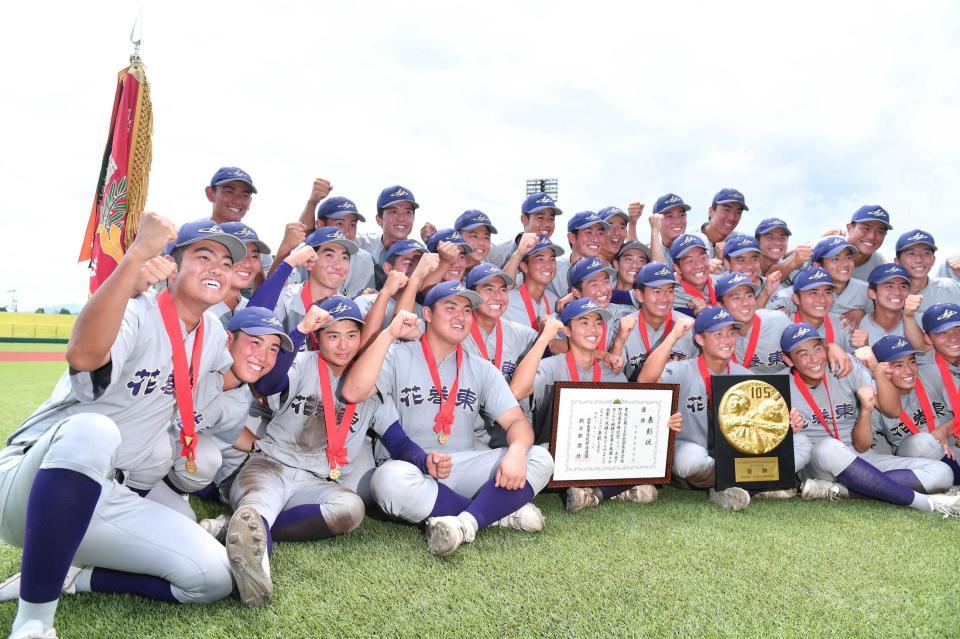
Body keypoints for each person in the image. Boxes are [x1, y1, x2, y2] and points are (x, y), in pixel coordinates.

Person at [0, 216, 248, 638]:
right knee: (94, 430)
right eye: (203, 256)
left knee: (213, 577)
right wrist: (133, 260)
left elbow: (241, 373)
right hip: (34, 481)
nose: (217, 268)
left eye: (226, 263)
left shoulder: (211, 332)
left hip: (112, 495)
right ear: (171, 263)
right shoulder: (136, 307)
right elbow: (83, 356)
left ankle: (73, 575)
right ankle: (34, 623)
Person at [340, 281, 555, 557]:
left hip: (460, 465)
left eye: (466, 310)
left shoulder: (481, 368)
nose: (460, 316)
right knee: (386, 480)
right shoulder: (397, 355)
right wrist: (389, 333)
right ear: (427, 314)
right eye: (450, 307)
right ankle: (495, 513)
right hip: (411, 469)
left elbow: (517, 423)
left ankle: (465, 522)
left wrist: (515, 452)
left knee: (539, 457)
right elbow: (352, 391)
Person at [217, 298, 394, 606]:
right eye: (332, 335)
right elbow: (270, 383)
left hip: (318, 481)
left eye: (352, 335)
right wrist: (298, 332)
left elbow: (395, 434)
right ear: (318, 338)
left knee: (351, 509)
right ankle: (255, 566)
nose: (343, 345)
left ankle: (230, 528)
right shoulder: (302, 361)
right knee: (258, 505)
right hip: (271, 465)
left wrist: (424, 459)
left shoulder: (368, 377)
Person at [511, 298, 679, 512]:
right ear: (567, 331)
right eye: (584, 322)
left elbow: (632, 422)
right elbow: (517, 390)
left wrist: (664, 421)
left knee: (643, 470)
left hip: (598, 456)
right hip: (555, 456)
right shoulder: (551, 366)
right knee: (541, 458)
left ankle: (593, 494)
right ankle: (610, 490)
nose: (593, 329)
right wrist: (545, 338)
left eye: (598, 322)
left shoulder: (611, 373)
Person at [779, 324, 960, 516]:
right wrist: (787, 429)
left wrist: (867, 404)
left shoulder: (843, 365)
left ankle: (840, 490)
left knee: (942, 473)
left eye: (817, 348)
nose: (814, 359)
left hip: (860, 457)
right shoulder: (779, 388)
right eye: (803, 354)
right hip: (819, 463)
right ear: (788, 360)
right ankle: (927, 504)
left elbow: (889, 413)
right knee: (829, 447)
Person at [638, 306, 808, 510]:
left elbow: (763, 425)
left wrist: (788, 424)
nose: (726, 340)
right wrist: (674, 335)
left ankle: (725, 487)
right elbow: (645, 380)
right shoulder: (683, 369)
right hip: (696, 457)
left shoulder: (744, 376)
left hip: (736, 455)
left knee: (802, 443)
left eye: (730, 333)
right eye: (718, 334)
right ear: (700, 339)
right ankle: (752, 484)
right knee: (689, 459)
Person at [462, 263, 538, 447]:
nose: (497, 296)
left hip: (510, 431)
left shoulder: (523, 335)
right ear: (472, 295)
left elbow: (559, 346)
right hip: (466, 433)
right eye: (489, 289)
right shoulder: (455, 331)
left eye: (502, 289)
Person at [868, 335, 960, 484]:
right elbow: (862, 448)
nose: (909, 370)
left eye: (912, 361)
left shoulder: (931, 373)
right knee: (923, 442)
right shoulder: (874, 400)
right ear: (882, 369)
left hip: (951, 450)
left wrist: (944, 430)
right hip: (914, 460)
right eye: (898, 365)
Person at [608, 262, 698, 381]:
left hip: (681, 397)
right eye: (657, 291)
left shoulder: (689, 326)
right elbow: (612, 376)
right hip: (640, 397)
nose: (665, 298)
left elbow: (699, 375)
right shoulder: (624, 326)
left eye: (670, 291)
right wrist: (619, 341)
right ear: (640, 295)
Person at [714, 271, 792, 374]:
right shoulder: (715, 335)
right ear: (721, 306)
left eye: (749, 296)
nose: (745, 303)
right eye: (736, 298)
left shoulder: (778, 321)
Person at [207, 221, 271, 327]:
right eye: (240, 253)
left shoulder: (249, 307)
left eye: (254, 256)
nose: (247, 263)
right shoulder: (197, 306)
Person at [354, 185, 419, 288]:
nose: (401, 218)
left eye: (407, 212)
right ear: (379, 219)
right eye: (394, 212)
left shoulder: (421, 253)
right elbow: (326, 242)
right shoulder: (363, 243)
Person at [502, 235, 563, 331]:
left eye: (552, 259)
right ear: (524, 267)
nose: (548, 266)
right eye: (540, 259)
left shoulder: (555, 302)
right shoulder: (506, 302)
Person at [487, 192, 563, 267]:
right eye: (540, 217)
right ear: (524, 219)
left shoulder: (553, 261)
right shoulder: (496, 252)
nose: (547, 224)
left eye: (551, 219)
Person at [894, 229, 960, 315]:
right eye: (911, 253)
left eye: (926, 253)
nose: (919, 259)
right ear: (897, 261)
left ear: (933, 260)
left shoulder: (950, 287)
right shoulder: (887, 292)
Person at [549, 211, 610, 299]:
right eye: (589, 232)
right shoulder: (552, 268)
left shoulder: (606, 270)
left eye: (600, 233)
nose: (596, 239)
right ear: (572, 237)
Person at [691, 188, 748, 259]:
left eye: (738, 212)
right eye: (727, 210)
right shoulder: (688, 238)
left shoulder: (741, 242)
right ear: (711, 211)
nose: (732, 217)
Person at [669, 234, 717, 317]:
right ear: (677, 268)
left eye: (703, 258)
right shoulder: (672, 298)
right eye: (690, 261)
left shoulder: (723, 285)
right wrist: (692, 313)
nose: (699, 265)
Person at [846, 205, 892, 281]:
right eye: (866, 228)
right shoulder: (828, 250)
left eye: (880, 231)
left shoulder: (879, 262)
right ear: (850, 228)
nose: (872, 236)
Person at [647, 193, 690, 267]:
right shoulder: (648, 251)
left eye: (681, 215)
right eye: (670, 216)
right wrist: (654, 230)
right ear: (657, 220)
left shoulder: (697, 245)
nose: (677, 221)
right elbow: (659, 271)